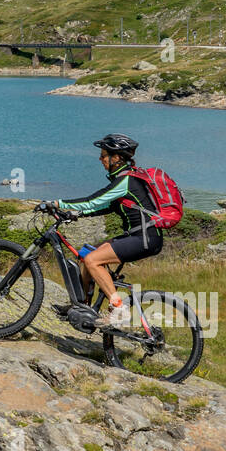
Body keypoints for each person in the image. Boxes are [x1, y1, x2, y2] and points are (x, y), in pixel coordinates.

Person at [45, 133, 163, 326]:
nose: (100, 159)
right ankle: (82, 305)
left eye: (103, 155)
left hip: (145, 238)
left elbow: (94, 199)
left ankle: (119, 309)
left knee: (92, 260)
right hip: (140, 236)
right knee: (87, 254)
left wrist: (58, 203)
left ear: (116, 158)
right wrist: (76, 214)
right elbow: (105, 207)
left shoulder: (126, 181)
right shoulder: (125, 178)